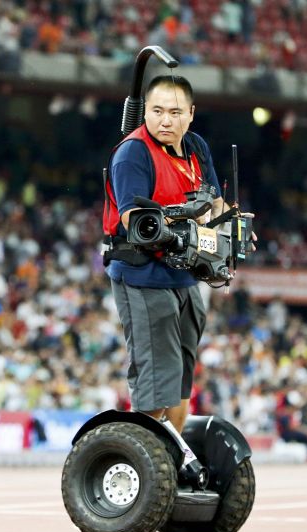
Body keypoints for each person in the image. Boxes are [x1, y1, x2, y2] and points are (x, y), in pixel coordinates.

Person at [103, 75, 253, 433]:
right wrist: (181, 217)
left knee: (183, 368)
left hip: (187, 275)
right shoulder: (133, 152)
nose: (165, 121)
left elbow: (215, 202)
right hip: (143, 275)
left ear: (190, 114)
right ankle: (148, 454)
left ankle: (176, 454)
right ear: (145, 113)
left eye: (174, 112)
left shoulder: (197, 147)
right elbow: (134, 220)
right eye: (156, 111)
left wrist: (230, 229)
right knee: (156, 371)